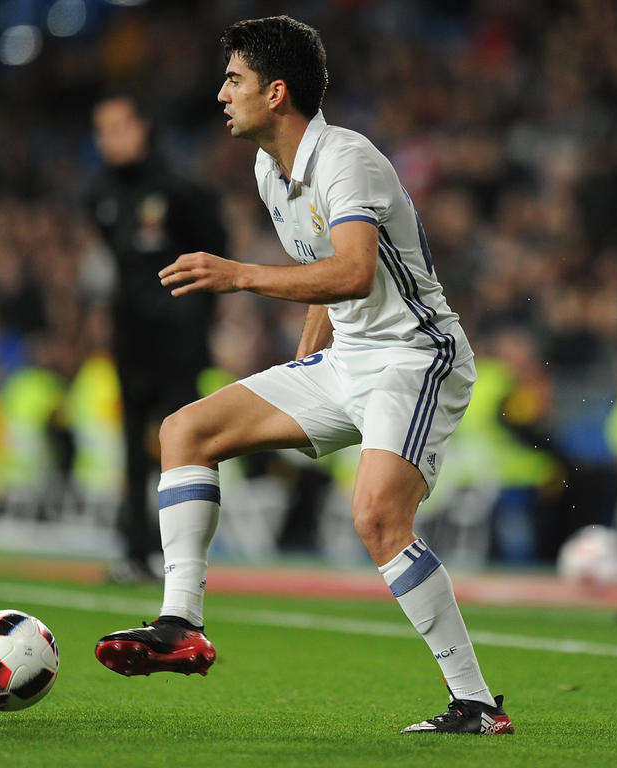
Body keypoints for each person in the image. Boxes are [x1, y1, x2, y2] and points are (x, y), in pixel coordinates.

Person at [94, 16, 514, 736]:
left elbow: (352, 271)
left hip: (416, 357)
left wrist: (240, 276)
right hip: (346, 360)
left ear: (276, 91)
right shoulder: (269, 168)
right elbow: (330, 286)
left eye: (234, 79)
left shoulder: (347, 160)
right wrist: (299, 371)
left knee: (378, 519)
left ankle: (475, 702)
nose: (221, 93)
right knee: (184, 431)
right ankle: (181, 623)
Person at [90, 89, 227, 581]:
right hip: (130, 340)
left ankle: (184, 559)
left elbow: (216, 252)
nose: (109, 140)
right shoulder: (101, 194)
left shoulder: (181, 189)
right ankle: (133, 550)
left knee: (182, 447)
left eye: (119, 127)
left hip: (179, 339)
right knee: (131, 445)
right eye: (102, 130)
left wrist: (196, 321)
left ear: (143, 126)